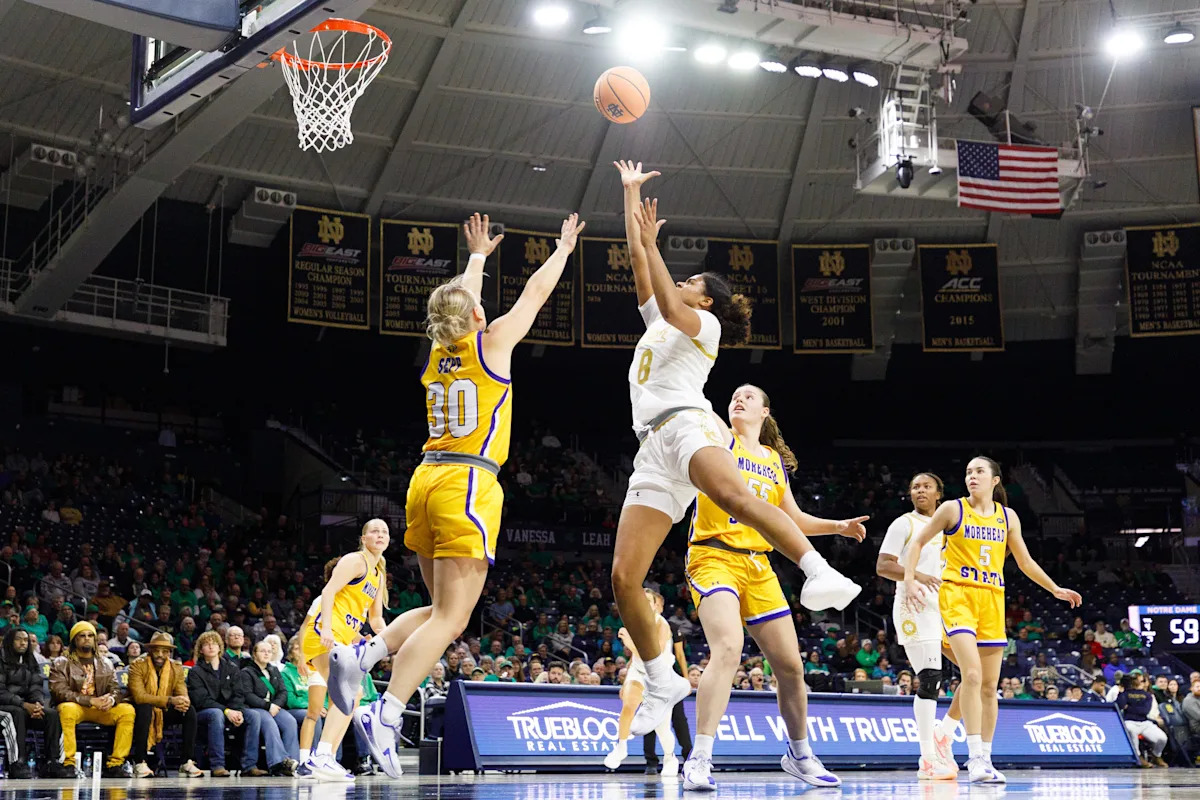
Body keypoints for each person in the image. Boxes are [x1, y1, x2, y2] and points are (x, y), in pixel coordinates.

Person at [328, 210, 587, 779]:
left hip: (424, 479)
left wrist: (476, 259)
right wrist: (563, 250)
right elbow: (535, 295)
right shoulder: (493, 343)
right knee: (451, 620)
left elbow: (460, 304)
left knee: (439, 611)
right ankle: (386, 712)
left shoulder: (437, 353)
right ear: (475, 314)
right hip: (467, 483)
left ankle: (362, 654)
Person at [606, 163, 861, 739]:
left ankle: (817, 570)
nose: (682, 282)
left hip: (687, 424)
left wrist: (653, 245)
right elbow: (641, 264)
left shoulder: (705, 326)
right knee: (624, 578)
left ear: (707, 299)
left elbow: (664, 286)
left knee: (736, 498)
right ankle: (661, 677)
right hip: (652, 448)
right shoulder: (662, 317)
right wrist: (631, 195)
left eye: (692, 280)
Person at [681, 384, 868, 791]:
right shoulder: (720, 438)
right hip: (713, 555)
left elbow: (791, 519)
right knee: (728, 648)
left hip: (759, 566)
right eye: (735, 395)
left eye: (749, 396)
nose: (739, 399)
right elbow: (698, 405)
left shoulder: (772, 461)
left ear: (766, 411)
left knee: (791, 668)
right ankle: (699, 757)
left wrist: (837, 526)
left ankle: (799, 755)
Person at [904, 457, 1081, 784]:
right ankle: (973, 758)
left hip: (992, 599)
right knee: (971, 674)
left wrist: (1054, 588)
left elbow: (1025, 561)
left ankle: (978, 753)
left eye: (979, 471)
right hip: (957, 595)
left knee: (988, 685)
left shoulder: (1007, 517)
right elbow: (916, 542)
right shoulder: (953, 509)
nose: (972, 476)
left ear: (995, 480)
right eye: (968, 472)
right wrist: (910, 579)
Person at [877, 472, 962, 780]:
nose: (920, 491)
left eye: (927, 486)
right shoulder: (904, 524)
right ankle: (927, 759)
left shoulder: (950, 528)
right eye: (915, 487)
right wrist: (916, 576)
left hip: (947, 607)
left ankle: (944, 734)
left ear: (939, 493)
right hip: (914, 607)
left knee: (976, 675)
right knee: (930, 678)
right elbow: (883, 565)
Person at [297, 527, 389, 783]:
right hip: (323, 633)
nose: (380, 534)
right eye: (375, 531)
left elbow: (376, 619)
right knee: (347, 692)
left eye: (385, 531)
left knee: (354, 695)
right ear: (364, 538)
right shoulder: (354, 560)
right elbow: (328, 592)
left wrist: (388, 639)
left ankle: (326, 756)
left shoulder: (378, 575)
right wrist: (327, 627)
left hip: (343, 638)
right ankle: (321, 755)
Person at [603, 589, 679, 777]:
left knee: (662, 728)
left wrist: (629, 643)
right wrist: (625, 682)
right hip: (638, 671)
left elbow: (653, 655)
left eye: (648, 601)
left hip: (659, 676)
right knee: (628, 706)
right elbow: (634, 659)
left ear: (654, 605)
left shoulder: (662, 624)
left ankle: (670, 757)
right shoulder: (633, 622)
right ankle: (621, 747)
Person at [50, 621, 135, 778]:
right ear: (74, 640)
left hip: (100, 708)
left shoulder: (106, 662)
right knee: (66, 709)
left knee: (127, 710)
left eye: (90, 636)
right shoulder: (61, 662)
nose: (87, 639)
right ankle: (68, 763)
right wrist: (89, 701)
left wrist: (111, 699)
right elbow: (59, 691)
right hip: (77, 706)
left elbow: (115, 689)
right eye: (82, 636)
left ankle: (116, 763)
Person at [187, 630, 264, 777]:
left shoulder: (231, 668)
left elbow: (239, 694)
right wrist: (226, 711)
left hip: (230, 710)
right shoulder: (195, 672)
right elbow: (201, 700)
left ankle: (249, 765)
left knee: (254, 715)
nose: (211, 647)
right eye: (206, 645)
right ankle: (218, 765)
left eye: (214, 644)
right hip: (205, 711)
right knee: (216, 714)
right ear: (201, 650)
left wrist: (236, 711)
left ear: (220, 647)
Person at [127, 631, 203, 777]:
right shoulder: (137, 666)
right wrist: (169, 700)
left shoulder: (176, 668)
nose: (160, 655)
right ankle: (140, 761)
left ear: (169, 653)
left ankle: (187, 761)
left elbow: (181, 690)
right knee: (145, 708)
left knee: (189, 711)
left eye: (165, 651)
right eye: (157, 651)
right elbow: (139, 697)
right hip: (141, 711)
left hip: (164, 711)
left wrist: (184, 701)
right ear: (150, 651)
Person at [0, 627, 71, 778]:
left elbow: (36, 686)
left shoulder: (30, 660)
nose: (23, 643)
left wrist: (37, 704)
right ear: (10, 641)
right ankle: (17, 763)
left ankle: (53, 763)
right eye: (18, 639)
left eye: (26, 640)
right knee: (16, 714)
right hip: (5, 707)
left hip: (23, 706)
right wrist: (24, 704)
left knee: (51, 715)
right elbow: (1, 692)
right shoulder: (1, 659)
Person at [239, 639, 300, 776]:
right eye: (262, 651)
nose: (266, 654)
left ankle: (293, 762)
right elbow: (248, 695)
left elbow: (283, 692)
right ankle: (279, 762)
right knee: (269, 723)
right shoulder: (247, 672)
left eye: (269, 651)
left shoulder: (274, 670)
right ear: (254, 654)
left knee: (290, 721)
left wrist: (276, 705)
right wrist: (268, 706)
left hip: (274, 707)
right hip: (255, 707)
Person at [1118, 672, 1168, 767]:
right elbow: (1120, 705)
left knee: (1162, 738)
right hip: (1130, 721)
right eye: (1140, 680)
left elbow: (1145, 711)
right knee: (1131, 731)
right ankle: (1138, 757)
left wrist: (1128, 707)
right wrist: (1121, 692)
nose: (1142, 682)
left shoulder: (1147, 695)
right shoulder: (1126, 693)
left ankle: (1156, 755)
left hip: (1144, 722)